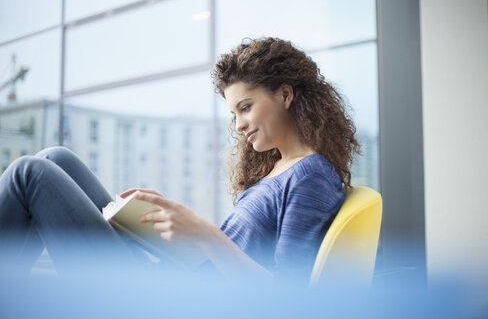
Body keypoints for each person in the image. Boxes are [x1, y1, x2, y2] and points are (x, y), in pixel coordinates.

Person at [0, 37, 359, 281]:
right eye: (234, 114)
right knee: (56, 157)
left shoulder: (310, 176)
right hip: (175, 275)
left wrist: (205, 234)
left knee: (29, 174)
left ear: (285, 95)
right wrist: (166, 217)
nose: (239, 125)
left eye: (245, 108)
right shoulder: (278, 169)